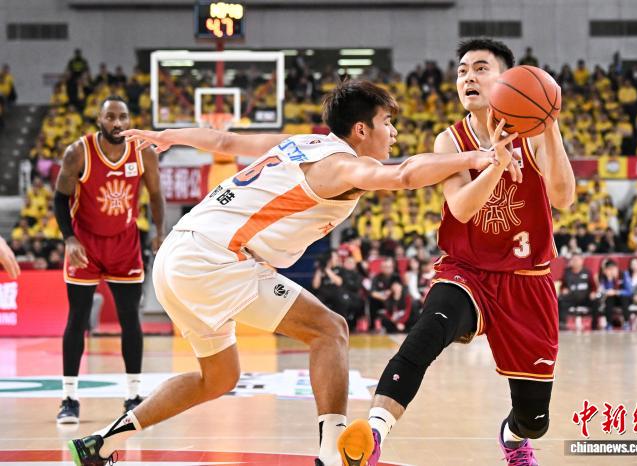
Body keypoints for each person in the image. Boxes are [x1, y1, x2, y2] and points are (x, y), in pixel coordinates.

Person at [67, 79, 517, 466]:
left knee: (218, 377)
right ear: (361, 130)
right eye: (387, 122)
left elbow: (226, 143)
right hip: (213, 258)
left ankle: (102, 443)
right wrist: (477, 158)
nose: (394, 132)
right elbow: (405, 175)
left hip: (179, 255)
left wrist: (170, 136)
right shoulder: (342, 164)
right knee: (330, 330)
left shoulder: (302, 141)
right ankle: (332, 455)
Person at [339, 38, 575, 466]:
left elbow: (564, 198)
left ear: (509, 80)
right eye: (463, 70)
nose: (468, 76)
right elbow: (462, 207)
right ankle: (372, 434)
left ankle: (514, 438)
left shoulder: (536, 133)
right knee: (426, 334)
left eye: (481, 68)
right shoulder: (450, 140)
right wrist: (496, 163)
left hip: (528, 280)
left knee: (534, 419)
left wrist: (551, 121)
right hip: (468, 272)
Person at [54, 95, 165, 424]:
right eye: (111, 117)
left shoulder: (143, 152)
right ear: (100, 120)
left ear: (130, 120)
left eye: (123, 117)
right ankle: (69, 399)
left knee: (130, 319)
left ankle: (133, 396)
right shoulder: (78, 152)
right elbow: (60, 199)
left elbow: (155, 195)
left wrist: (159, 232)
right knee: (77, 319)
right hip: (85, 243)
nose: (117, 123)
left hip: (124, 244)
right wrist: (69, 238)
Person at [557, 253, 597, 330]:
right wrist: (563, 290)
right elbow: (562, 285)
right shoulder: (567, 272)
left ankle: (594, 325)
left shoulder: (588, 272)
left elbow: (593, 286)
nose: (575, 262)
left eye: (577, 260)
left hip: (585, 298)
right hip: (571, 297)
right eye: (573, 260)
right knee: (560, 300)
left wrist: (593, 292)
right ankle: (562, 323)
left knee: (596, 301)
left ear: (582, 261)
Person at [595, 259, 632, 330]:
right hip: (613, 301)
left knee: (624, 298)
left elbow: (629, 291)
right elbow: (603, 292)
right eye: (609, 269)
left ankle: (626, 322)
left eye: (613, 269)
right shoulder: (604, 278)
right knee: (609, 298)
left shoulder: (624, 274)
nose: (612, 271)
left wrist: (616, 292)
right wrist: (609, 281)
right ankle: (609, 323)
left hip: (625, 300)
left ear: (617, 268)